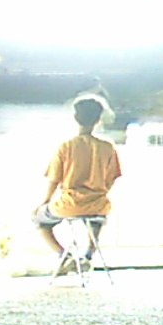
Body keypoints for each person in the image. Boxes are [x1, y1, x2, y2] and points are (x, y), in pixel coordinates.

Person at [31, 95, 121, 265]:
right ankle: (88, 256)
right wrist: (98, 193)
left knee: (38, 219)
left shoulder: (66, 146)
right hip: (98, 205)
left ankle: (64, 256)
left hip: (69, 204)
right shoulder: (107, 147)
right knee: (97, 220)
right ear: (98, 120)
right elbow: (111, 178)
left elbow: (54, 179)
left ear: (75, 117)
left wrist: (44, 202)